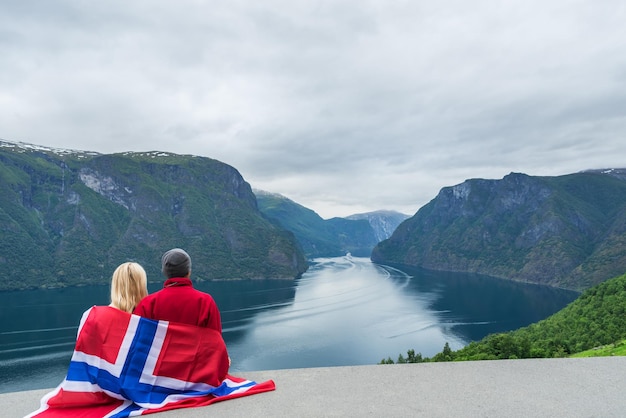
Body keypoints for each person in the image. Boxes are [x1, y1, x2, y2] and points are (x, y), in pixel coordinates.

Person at [133, 248, 222, 332]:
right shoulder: (205, 302)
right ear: (189, 272)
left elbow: (138, 338)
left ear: (165, 272)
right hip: (195, 348)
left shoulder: (148, 303)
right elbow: (215, 339)